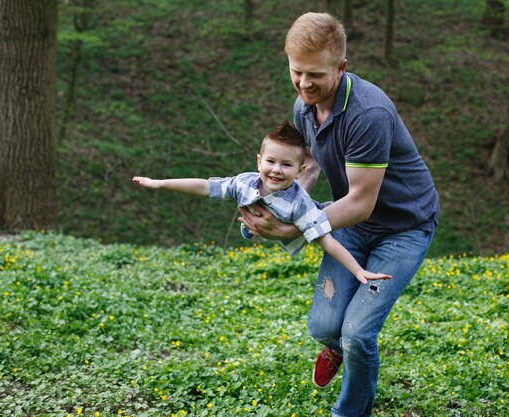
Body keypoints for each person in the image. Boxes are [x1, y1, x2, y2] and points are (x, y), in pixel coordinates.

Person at [238, 12, 440, 417]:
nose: (304, 84)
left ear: (342, 67)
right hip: (349, 221)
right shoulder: (304, 107)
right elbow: (309, 164)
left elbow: (362, 202)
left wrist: (291, 229)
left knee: (357, 333)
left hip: (402, 229)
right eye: (297, 72)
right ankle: (335, 348)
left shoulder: (368, 114)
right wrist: (280, 204)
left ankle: (350, 411)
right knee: (325, 328)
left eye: (316, 74)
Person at [132, 120, 391, 285]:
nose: (276, 170)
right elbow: (204, 185)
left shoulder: (299, 204)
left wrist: (358, 272)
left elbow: (326, 241)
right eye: (271, 162)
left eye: (286, 165)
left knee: (325, 223)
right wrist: (160, 182)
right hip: (267, 217)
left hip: (315, 216)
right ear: (259, 161)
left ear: (300, 170)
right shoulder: (245, 182)